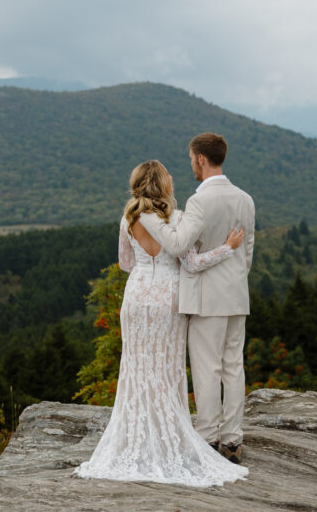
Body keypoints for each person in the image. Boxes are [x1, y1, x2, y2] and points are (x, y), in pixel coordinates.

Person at [74, 159, 248, 486]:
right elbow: (193, 264)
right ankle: (168, 437)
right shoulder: (176, 219)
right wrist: (228, 248)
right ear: (161, 184)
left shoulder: (128, 218)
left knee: (138, 366)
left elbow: (125, 263)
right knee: (167, 366)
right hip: (169, 297)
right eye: (168, 176)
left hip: (137, 296)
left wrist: (146, 267)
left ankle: (138, 438)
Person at [138, 132, 255, 464]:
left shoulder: (199, 201)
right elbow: (247, 252)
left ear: (201, 159)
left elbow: (177, 247)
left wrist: (150, 221)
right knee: (234, 367)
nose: (191, 164)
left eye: (191, 159)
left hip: (206, 298)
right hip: (236, 295)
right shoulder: (245, 198)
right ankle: (233, 440)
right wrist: (233, 280)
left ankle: (208, 438)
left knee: (207, 369)